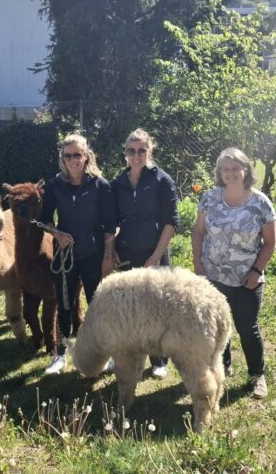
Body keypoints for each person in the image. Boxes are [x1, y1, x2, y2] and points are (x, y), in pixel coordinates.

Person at [192, 147, 276, 399]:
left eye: (235, 168)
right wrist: (198, 264)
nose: (230, 173)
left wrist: (256, 270)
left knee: (246, 327)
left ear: (246, 170)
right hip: (213, 275)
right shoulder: (209, 198)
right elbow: (198, 232)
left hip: (245, 279)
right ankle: (222, 367)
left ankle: (256, 375)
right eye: (225, 169)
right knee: (217, 326)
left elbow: (270, 242)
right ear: (220, 172)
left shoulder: (260, 203)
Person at [40, 133, 116, 375]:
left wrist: (107, 257)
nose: (73, 160)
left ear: (86, 156)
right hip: (65, 255)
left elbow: (110, 226)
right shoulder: (55, 185)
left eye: (78, 155)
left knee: (97, 304)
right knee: (64, 304)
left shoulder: (100, 185)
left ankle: (102, 353)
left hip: (93, 253)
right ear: (63, 159)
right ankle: (61, 353)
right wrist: (57, 234)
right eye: (68, 155)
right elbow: (43, 220)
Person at [111, 128, 179, 379]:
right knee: (128, 307)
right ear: (126, 153)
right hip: (127, 253)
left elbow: (170, 223)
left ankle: (159, 360)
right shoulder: (118, 182)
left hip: (155, 252)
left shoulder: (162, 181)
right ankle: (128, 358)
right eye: (131, 151)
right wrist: (113, 248)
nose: (136, 155)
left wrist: (156, 257)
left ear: (150, 151)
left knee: (155, 309)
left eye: (142, 150)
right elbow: (113, 220)